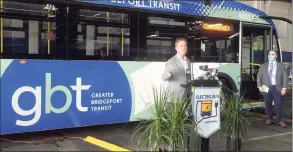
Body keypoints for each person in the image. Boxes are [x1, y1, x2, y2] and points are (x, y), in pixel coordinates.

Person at [256, 50, 288, 127]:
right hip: (266, 87)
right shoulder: (263, 66)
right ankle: (269, 118)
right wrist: (259, 86)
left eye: (273, 54)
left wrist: (284, 88)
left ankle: (280, 120)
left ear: (276, 56)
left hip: (277, 87)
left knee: (278, 104)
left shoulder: (281, 65)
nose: (271, 56)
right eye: (269, 54)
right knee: (267, 104)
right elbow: (259, 77)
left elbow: (285, 77)